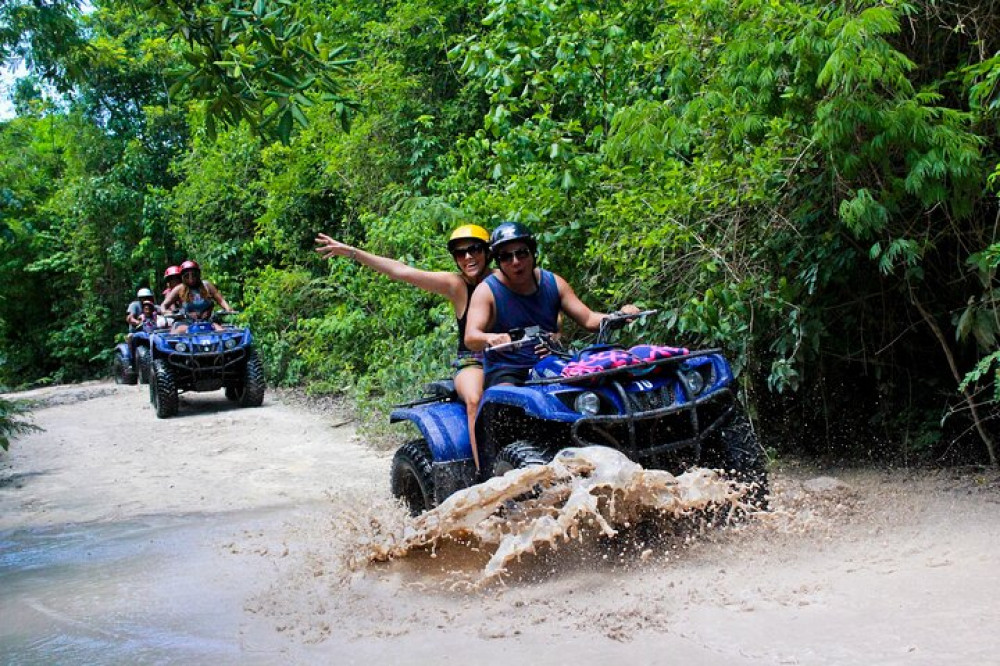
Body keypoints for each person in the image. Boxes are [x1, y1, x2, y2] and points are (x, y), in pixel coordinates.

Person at [314, 224, 494, 473]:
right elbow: (402, 271)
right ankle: (484, 474)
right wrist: (352, 252)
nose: (467, 257)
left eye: (474, 249)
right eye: (460, 253)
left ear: (487, 251)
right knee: (475, 399)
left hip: (513, 354)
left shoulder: (506, 277)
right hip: (473, 362)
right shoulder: (457, 286)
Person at [464, 221, 640, 388]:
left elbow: (588, 319)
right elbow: (471, 337)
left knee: (594, 387)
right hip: (508, 370)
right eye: (506, 257)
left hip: (551, 363)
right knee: (506, 400)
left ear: (533, 253)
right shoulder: (486, 291)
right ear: (499, 262)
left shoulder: (553, 282)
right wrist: (489, 338)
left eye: (522, 253)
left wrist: (619, 316)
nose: (516, 261)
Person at [161, 260, 232, 332]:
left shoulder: (207, 285)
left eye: (193, 275)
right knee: (176, 333)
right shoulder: (179, 288)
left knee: (222, 332)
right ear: (182, 277)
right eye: (187, 276)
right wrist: (166, 312)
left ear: (198, 275)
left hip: (208, 321)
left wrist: (228, 308)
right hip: (186, 322)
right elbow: (163, 305)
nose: (191, 279)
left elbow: (221, 300)